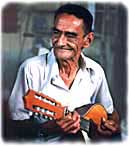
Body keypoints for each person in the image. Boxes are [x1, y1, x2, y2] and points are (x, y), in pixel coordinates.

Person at [8, 3, 120, 143]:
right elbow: (12, 127)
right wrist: (49, 128)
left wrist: (113, 126)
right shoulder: (30, 69)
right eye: (56, 32)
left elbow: (111, 113)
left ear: (88, 40)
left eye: (70, 35)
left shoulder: (96, 71)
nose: (60, 42)